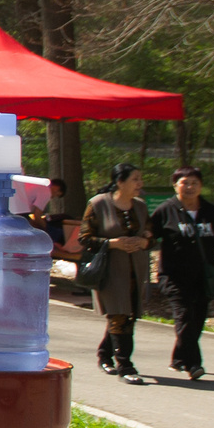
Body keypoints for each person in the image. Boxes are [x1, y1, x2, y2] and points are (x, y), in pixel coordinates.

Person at [151, 166, 214, 381]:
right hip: (174, 275)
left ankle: (178, 358)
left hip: (203, 277)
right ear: (175, 185)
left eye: (194, 183)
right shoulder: (166, 210)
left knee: (196, 321)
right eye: (185, 182)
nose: (190, 187)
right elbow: (148, 238)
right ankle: (193, 364)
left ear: (201, 186)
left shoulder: (212, 212)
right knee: (184, 316)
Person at [82, 163, 154, 382]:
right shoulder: (98, 204)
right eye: (135, 179)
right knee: (120, 315)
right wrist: (113, 244)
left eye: (140, 179)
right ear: (119, 182)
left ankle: (105, 355)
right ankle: (126, 366)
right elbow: (84, 239)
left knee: (126, 314)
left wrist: (142, 242)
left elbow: (151, 236)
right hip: (110, 271)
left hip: (135, 270)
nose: (140, 184)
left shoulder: (140, 207)